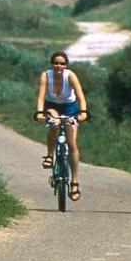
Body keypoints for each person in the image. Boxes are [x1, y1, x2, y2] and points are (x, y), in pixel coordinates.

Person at [34, 51, 88, 201]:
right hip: (52, 106)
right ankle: (50, 155)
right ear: (52, 64)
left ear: (66, 65)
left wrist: (83, 112)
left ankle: (75, 181)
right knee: (54, 122)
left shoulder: (70, 76)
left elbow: (81, 97)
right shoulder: (46, 75)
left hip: (70, 108)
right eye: (56, 63)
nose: (59, 66)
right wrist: (39, 112)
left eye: (62, 63)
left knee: (72, 144)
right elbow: (40, 97)